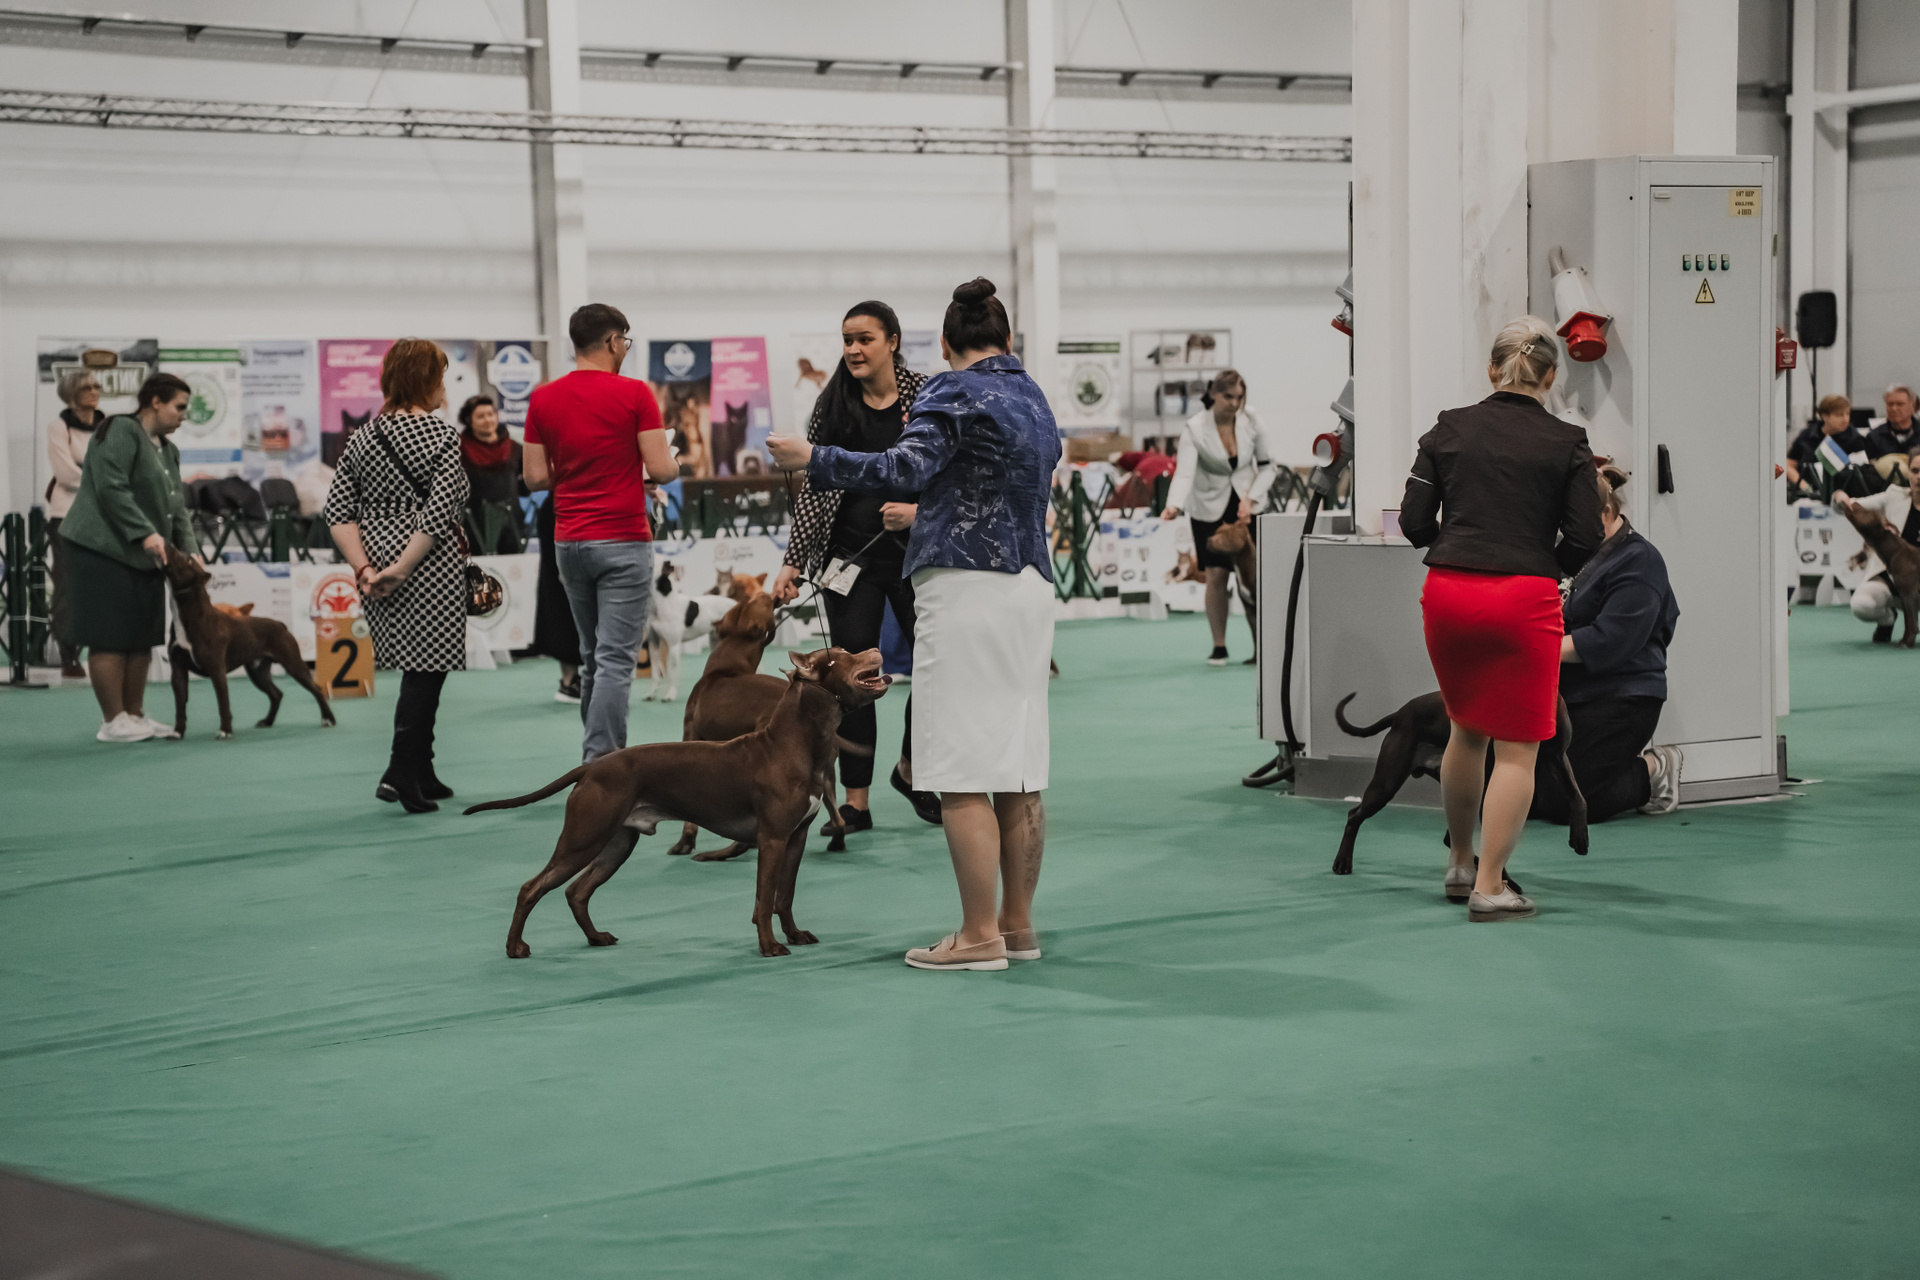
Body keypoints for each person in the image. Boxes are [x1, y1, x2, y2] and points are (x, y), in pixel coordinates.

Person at [768, 277, 1061, 972]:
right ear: (1007, 339)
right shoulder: (1033, 395)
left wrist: (813, 458)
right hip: (1030, 586)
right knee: (1020, 772)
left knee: (960, 772)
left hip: (966, 588)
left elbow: (907, 464)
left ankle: (978, 937)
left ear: (948, 344)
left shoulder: (950, 390)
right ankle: (1017, 928)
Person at [1400, 315, 1603, 923]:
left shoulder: (1447, 428)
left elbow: (1413, 523)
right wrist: (1541, 565)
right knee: (1518, 750)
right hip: (1523, 598)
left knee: (1465, 730)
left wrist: (1458, 548)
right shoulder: (1568, 442)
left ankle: (1461, 864)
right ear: (1551, 377)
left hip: (1448, 593)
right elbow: (1586, 536)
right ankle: (1492, 885)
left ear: (1491, 370)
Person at [770, 300, 938, 829]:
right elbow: (814, 487)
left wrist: (917, 513)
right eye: (847, 339)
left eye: (865, 339)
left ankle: (912, 769)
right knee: (850, 682)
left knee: (936, 669)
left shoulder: (926, 395)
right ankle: (855, 802)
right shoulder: (833, 402)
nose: (854, 349)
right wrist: (793, 561)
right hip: (848, 561)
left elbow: (946, 474)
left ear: (893, 342)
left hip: (917, 558)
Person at [523, 303, 680, 762]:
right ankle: (602, 766)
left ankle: (597, 760)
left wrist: (579, 467)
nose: (625, 350)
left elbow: (535, 478)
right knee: (615, 660)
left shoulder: (543, 398)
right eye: (624, 342)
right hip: (622, 539)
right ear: (612, 342)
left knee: (593, 657)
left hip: (570, 540)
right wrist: (665, 465)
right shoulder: (635, 394)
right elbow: (661, 469)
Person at [324, 339, 471, 813]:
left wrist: (366, 568)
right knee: (427, 669)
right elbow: (438, 512)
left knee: (420, 667)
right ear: (426, 381)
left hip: (375, 558)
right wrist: (403, 568)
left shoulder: (362, 437)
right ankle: (400, 772)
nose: (443, 388)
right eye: (440, 378)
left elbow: (337, 512)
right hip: (427, 561)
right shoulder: (441, 435)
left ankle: (420, 768)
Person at [1530, 466, 1684, 825]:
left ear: (1607, 512)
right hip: (1561, 694)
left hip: (1621, 696)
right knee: (1515, 789)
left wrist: (1535, 648)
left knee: (1566, 803)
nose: (1566, 530)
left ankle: (1654, 770)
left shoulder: (1641, 560)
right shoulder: (1565, 554)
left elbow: (1612, 639)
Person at [54, 372, 199, 742]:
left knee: (141, 635)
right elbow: (111, 487)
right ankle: (112, 721)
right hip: (101, 548)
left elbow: (176, 509)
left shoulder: (168, 450)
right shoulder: (120, 430)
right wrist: (146, 532)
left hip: (144, 552)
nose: (183, 415)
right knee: (110, 636)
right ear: (155, 402)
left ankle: (134, 716)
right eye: (179, 407)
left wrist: (192, 552)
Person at [1160, 370, 1275, 665]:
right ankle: (1219, 646)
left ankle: (1262, 649)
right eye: (1228, 397)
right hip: (1208, 504)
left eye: (1239, 397)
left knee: (1253, 580)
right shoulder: (1195, 428)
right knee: (1216, 576)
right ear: (1213, 394)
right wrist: (1174, 505)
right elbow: (1184, 473)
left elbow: (1267, 467)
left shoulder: (1253, 421)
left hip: (1247, 500)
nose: (1234, 403)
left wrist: (1251, 498)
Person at [46, 369, 108, 678]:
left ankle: (102, 649)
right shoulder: (58, 427)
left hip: (104, 516)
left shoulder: (108, 427)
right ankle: (68, 654)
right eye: (87, 388)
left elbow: (118, 465)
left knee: (102, 586)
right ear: (71, 395)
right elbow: (65, 473)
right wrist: (103, 482)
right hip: (66, 517)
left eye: (96, 386)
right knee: (68, 588)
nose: (94, 391)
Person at [1839, 454, 1920, 642]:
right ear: (1908, 473)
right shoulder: (1894, 496)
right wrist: (1839, 496)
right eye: (1915, 471)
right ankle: (1887, 620)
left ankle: (1911, 630)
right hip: (1891, 582)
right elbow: (1850, 506)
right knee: (1862, 604)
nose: (1919, 477)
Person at [529, 492, 582, 702]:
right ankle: (571, 681)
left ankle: (590, 678)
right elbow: (534, 480)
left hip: (587, 509)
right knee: (560, 595)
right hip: (565, 510)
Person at [457, 394, 524, 553]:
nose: (488, 420)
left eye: (491, 414)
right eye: (480, 416)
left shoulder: (515, 449)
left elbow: (525, 486)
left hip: (511, 525)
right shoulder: (458, 451)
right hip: (472, 526)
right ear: (468, 420)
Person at [1784, 394, 1870, 490]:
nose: (1845, 419)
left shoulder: (1856, 439)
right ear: (1825, 416)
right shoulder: (1806, 435)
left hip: (1841, 493)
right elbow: (1789, 464)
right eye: (1839, 415)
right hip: (1805, 490)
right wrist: (1802, 485)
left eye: (1847, 414)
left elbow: (1860, 475)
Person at [1865, 384, 1917, 459]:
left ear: (1912, 406)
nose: (1894, 409)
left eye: (1900, 404)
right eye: (1890, 404)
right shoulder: (1874, 438)